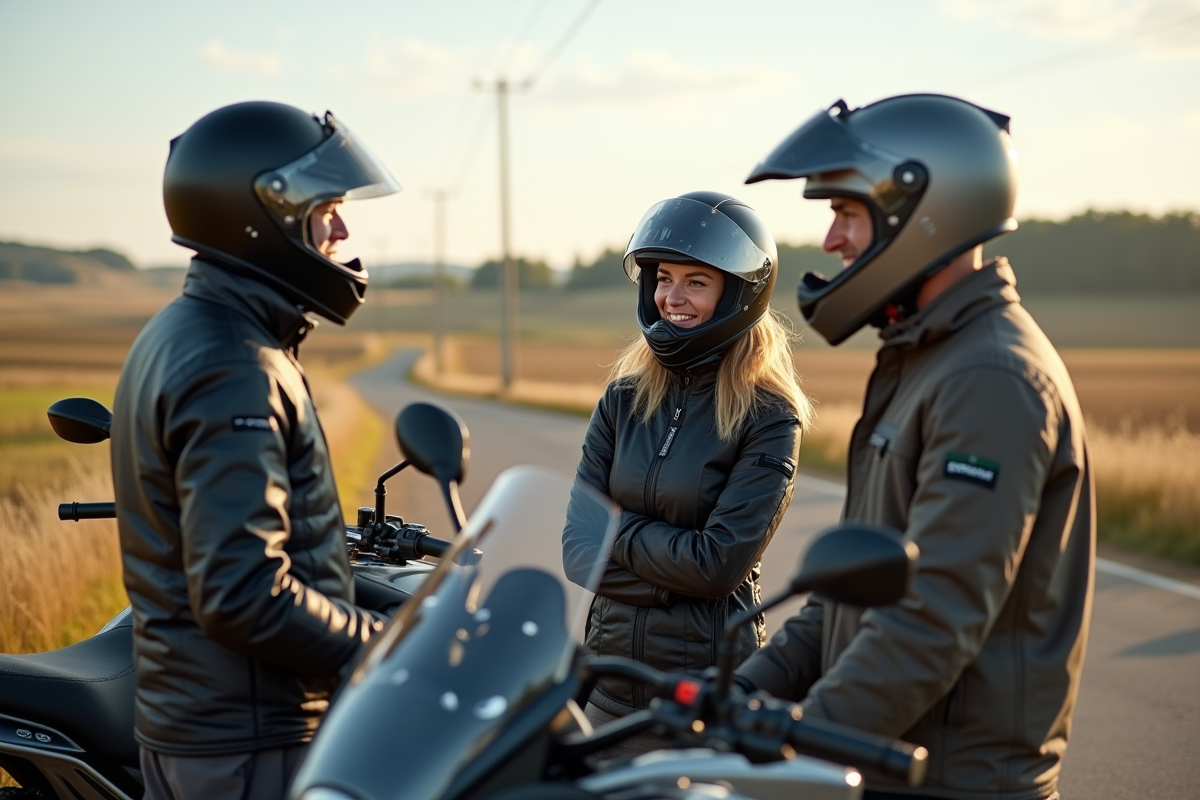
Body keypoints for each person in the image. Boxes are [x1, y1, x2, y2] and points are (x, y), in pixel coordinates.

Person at [735, 94, 1094, 800]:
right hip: (884, 763)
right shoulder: (926, 360)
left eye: (845, 212)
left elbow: (935, 613)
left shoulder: (990, 378)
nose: (832, 240)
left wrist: (796, 742)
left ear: (922, 214)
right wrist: (739, 693)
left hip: (953, 782)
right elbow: (849, 595)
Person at [110, 101, 401, 800]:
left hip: (209, 731)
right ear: (263, 216)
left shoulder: (189, 329)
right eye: (326, 205)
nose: (342, 227)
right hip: (247, 744)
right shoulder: (235, 362)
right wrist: (386, 648)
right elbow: (243, 593)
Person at [563, 190, 813, 757]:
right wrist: (673, 580)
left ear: (735, 294)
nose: (673, 298)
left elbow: (716, 567)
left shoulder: (770, 415)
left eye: (696, 282)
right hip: (606, 687)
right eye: (663, 278)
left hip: (702, 703)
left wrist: (618, 534)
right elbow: (578, 548)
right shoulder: (622, 400)